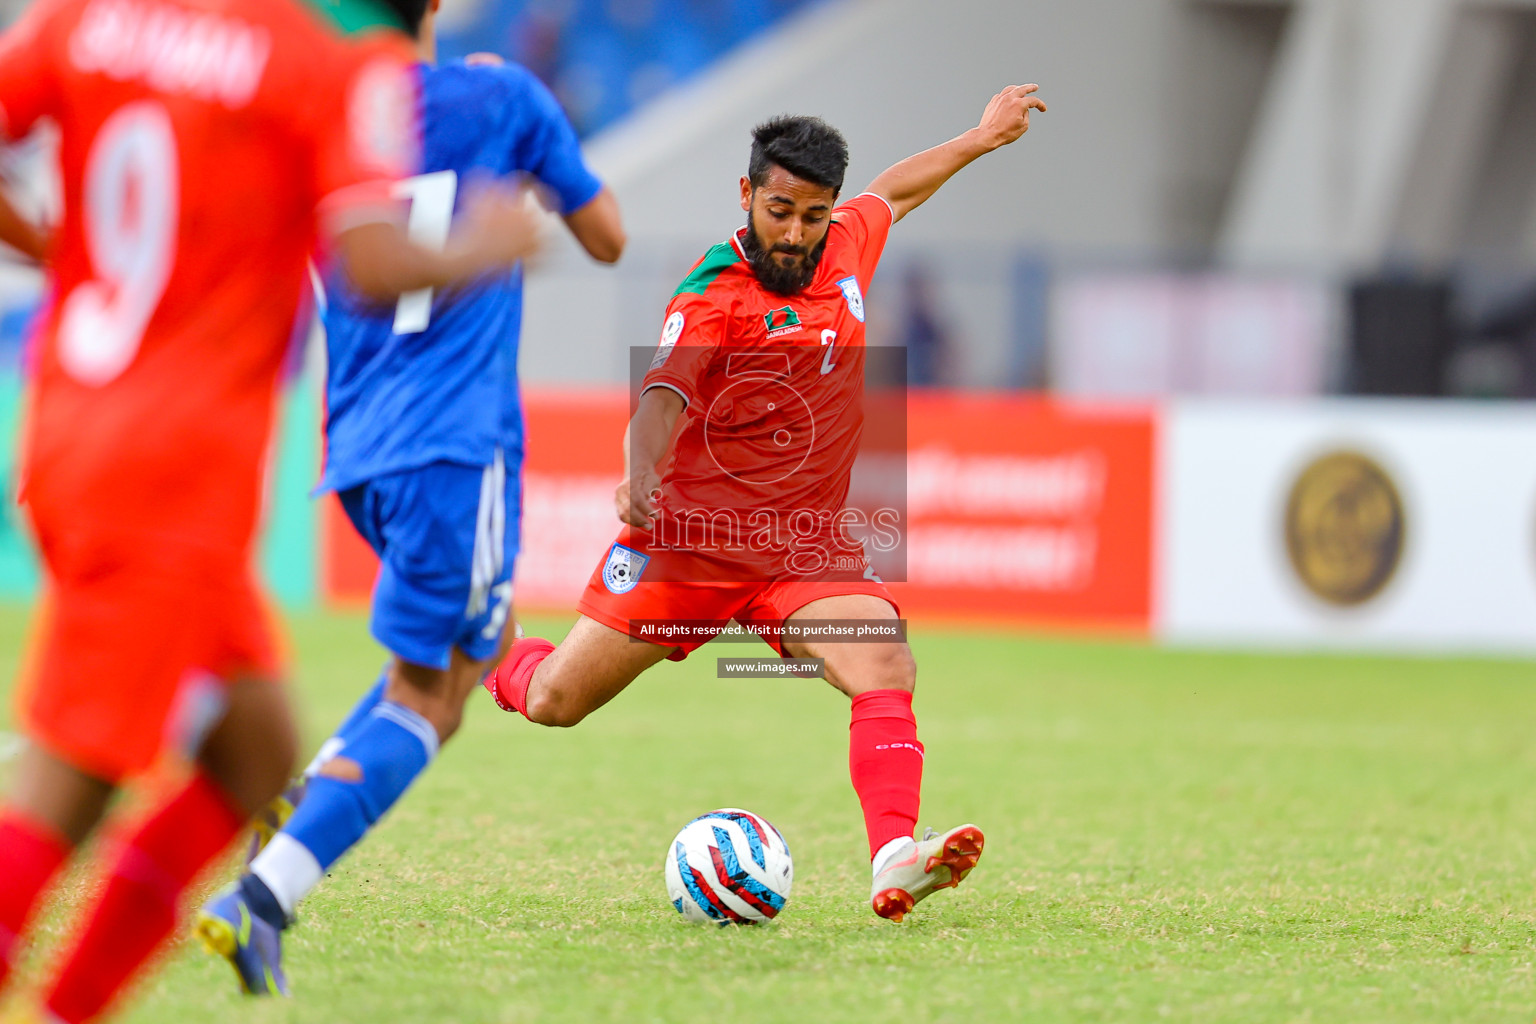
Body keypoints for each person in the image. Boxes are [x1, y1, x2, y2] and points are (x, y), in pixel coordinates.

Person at [0, 0, 540, 1020]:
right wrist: (491, 240)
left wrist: (40, 239)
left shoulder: (84, 19)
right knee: (68, 789)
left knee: (254, 752)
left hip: (69, 424)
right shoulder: (317, 63)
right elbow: (375, 263)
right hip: (170, 472)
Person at [483, 86, 1047, 922]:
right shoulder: (711, 294)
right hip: (691, 546)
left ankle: (897, 854)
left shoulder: (847, 246)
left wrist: (979, 137)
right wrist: (641, 474)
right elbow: (664, 394)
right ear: (746, 195)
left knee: (885, 661)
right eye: (779, 210)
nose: (794, 232)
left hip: (804, 550)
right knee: (556, 702)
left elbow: (894, 190)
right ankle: (488, 649)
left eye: (812, 215)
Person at [196, 0, 624, 996]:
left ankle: (298, 809)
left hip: (354, 449)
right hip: (453, 446)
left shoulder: (312, 109)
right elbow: (605, 236)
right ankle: (264, 894)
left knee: (478, 642)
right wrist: (523, 148)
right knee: (432, 693)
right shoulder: (502, 94)